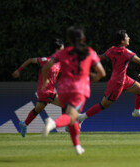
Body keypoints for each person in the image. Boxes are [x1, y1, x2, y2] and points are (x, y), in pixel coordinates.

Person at [77, 30, 140, 124]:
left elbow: (101, 57)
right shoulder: (126, 52)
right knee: (103, 105)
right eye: (127, 37)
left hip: (123, 78)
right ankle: (81, 118)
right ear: (122, 41)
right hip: (117, 83)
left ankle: (136, 111)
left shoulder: (112, 49)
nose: (129, 38)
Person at [41, 26, 106, 155]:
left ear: (68, 40)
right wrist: (92, 78)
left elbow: (46, 67)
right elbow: (102, 73)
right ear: (83, 38)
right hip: (78, 90)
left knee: (72, 118)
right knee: (71, 116)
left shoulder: (62, 52)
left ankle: (77, 147)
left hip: (63, 90)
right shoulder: (89, 52)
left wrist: (45, 81)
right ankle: (53, 123)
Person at [12, 39, 64, 137]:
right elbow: (30, 60)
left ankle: (24, 124)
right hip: (45, 91)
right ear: (56, 50)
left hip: (47, 91)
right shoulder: (45, 60)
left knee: (37, 110)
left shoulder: (59, 64)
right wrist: (19, 70)